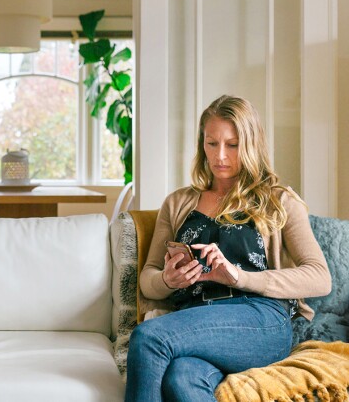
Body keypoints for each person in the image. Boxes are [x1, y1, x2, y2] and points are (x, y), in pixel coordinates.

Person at [124, 95, 331, 402]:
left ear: (250, 144)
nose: (220, 155)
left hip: (260, 319)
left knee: (149, 337)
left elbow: (319, 277)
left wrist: (239, 277)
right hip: (196, 321)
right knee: (181, 379)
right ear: (201, 144)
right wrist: (167, 280)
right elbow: (148, 280)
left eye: (232, 145)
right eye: (211, 143)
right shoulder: (178, 202)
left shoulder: (279, 200)